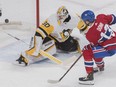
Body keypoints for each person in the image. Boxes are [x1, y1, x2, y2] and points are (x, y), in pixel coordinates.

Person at [15, 6, 82, 66]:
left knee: (71, 48)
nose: (59, 18)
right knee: (50, 50)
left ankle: (72, 43)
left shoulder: (75, 19)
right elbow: (39, 33)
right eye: (58, 16)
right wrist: (36, 48)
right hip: (50, 37)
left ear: (66, 15)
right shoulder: (52, 20)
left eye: (61, 16)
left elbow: (85, 27)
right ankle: (25, 57)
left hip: (63, 39)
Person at [77, 10, 116, 85]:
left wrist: (87, 47)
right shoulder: (100, 17)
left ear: (88, 21)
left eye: (84, 20)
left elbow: (95, 45)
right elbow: (113, 18)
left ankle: (89, 77)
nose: (83, 22)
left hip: (111, 48)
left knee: (87, 51)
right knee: (93, 50)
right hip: (114, 40)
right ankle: (100, 66)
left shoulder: (90, 34)